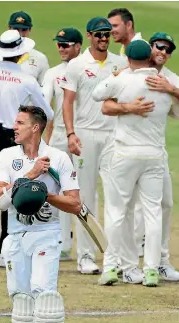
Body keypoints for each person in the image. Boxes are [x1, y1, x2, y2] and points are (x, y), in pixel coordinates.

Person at [0, 105, 81, 323]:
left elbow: (75, 204)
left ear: (35, 127)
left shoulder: (58, 158)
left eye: (19, 123)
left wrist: (45, 194)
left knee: (46, 301)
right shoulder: (7, 156)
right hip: (15, 238)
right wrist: (29, 177)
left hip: (46, 235)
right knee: (22, 307)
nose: (13, 127)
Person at [99, 32, 179, 283]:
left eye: (168, 49)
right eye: (159, 47)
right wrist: (130, 107)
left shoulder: (167, 79)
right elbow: (106, 107)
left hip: (145, 153)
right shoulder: (124, 73)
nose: (163, 52)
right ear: (149, 50)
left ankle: (152, 264)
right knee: (136, 210)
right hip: (133, 150)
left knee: (152, 207)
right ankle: (129, 265)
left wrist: (171, 89)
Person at [0, 30, 54, 268]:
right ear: (21, 54)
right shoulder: (27, 79)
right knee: (11, 190)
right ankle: (3, 250)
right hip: (12, 138)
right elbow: (48, 112)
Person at [61, 17, 124, 274]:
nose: (104, 38)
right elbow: (67, 102)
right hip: (85, 134)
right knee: (84, 196)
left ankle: (114, 256)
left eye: (107, 34)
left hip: (113, 135)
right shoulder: (76, 65)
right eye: (99, 34)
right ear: (89, 36)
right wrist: (71, 133)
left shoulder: (119, 64)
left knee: (116, 196)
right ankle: (85, 256)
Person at [41, 27, 83, 261]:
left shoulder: (88, 68)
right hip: (58, 137)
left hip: (84, 135)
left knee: (83, 189)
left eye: (66, 44)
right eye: (59, 44)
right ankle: (62, 242)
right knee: (59, 189)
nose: (61, 48)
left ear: (78, 46)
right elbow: (46, 109)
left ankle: (85, 245)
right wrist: (44, 143)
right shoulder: (52, 73)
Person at [0, 10, 49, 84]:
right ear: (8, 28)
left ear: (30, 30)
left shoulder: (40, 58)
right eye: (16, 29)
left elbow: (44, 89)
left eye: (24, 30)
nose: (20, 34)